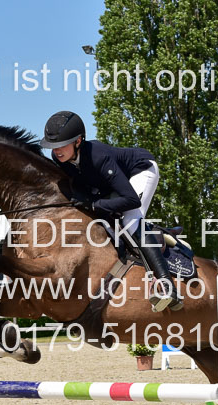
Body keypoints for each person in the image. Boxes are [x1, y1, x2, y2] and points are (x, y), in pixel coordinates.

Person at [40, 110, 181, 312]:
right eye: (53, 146)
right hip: (111, 183)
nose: (57, 151)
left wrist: (95, 205)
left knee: (130, 221)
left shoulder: (98, 157)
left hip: (141, 170)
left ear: (78, 141)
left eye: (62, 145)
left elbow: (131, 200)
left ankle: (167, 286)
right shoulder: (60, 159)